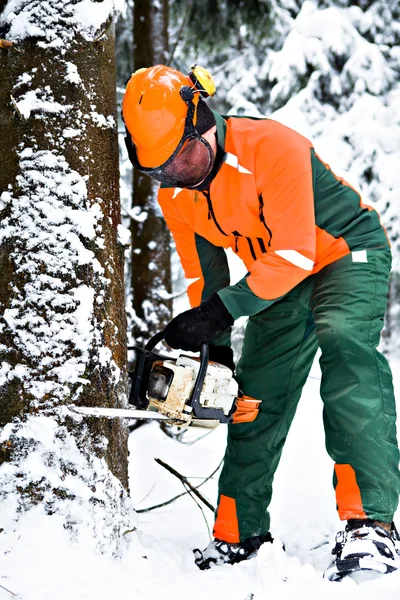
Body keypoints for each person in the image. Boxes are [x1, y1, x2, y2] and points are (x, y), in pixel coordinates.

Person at [122, 64, 400, 579]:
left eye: (184, 157)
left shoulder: (273, 147)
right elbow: (205, 278)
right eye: (163, 171)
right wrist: (216, 345)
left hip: (344, 251)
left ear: (201, 121)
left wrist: (224, 310)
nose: (180, 174)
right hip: (280, 273)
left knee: (344, 343)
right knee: (253, 393)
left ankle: (370, 527)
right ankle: (238, 530)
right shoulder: (177, 194)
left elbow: (295, 251)